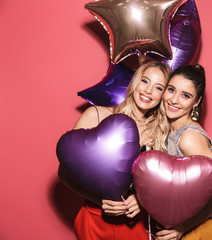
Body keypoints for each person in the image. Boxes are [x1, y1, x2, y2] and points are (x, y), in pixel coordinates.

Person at [58, 61, 172, 240]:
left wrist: (142, 202)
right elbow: (63, 173)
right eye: (145, 81)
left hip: (135, 226)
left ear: (163, 95)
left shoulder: (161, 134)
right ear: (135, 82)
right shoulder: (96, 115)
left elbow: (165, 187)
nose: (148, 91)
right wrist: (99, 201)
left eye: (158, 87)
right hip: (95, 221)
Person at [155, 64, 212, 240]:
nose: (174, 100)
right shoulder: (169, 130)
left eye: (185, 96)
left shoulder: (188, 137)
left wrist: (184, 227)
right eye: (171, 90)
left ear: (196, 102)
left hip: (196, 232)